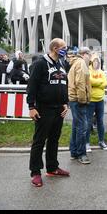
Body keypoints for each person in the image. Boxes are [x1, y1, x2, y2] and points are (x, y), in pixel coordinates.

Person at [27, 38, 70, 188]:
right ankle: (35, 172)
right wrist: (31, 107)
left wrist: (66, 103)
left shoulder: (62, 64)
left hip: (59, 108)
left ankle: (52, 168)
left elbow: (64, 83)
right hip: (44, 108)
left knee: (54, 139)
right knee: (39, 140)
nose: (67, 50)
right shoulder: (40, 63)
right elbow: (32, 85)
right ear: (55, 48)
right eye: (64, 47)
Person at [68, 47, 92, 164]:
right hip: (78, 99)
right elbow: (80, 83)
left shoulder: (75, 63)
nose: (91, 57)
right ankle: (81, 153)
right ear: (85, 54)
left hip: (73, 98)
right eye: (90, 55)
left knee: (76, 126)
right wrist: (83, 99)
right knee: (82, 127)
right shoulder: (81, 63)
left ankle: (74, 151)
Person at [86, 54, 107, 152]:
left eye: (98, 61)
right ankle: (86, 143)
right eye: (95, 61)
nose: (97, 63)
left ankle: (101, 141)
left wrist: (97, 83)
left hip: (100, 99)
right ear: (92, 62)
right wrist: (99, 83)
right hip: (91, 100)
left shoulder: (101, 72)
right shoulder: (88, 71)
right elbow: (90, 81)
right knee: (88, 122)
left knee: (100, 121)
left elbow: (106, 83)